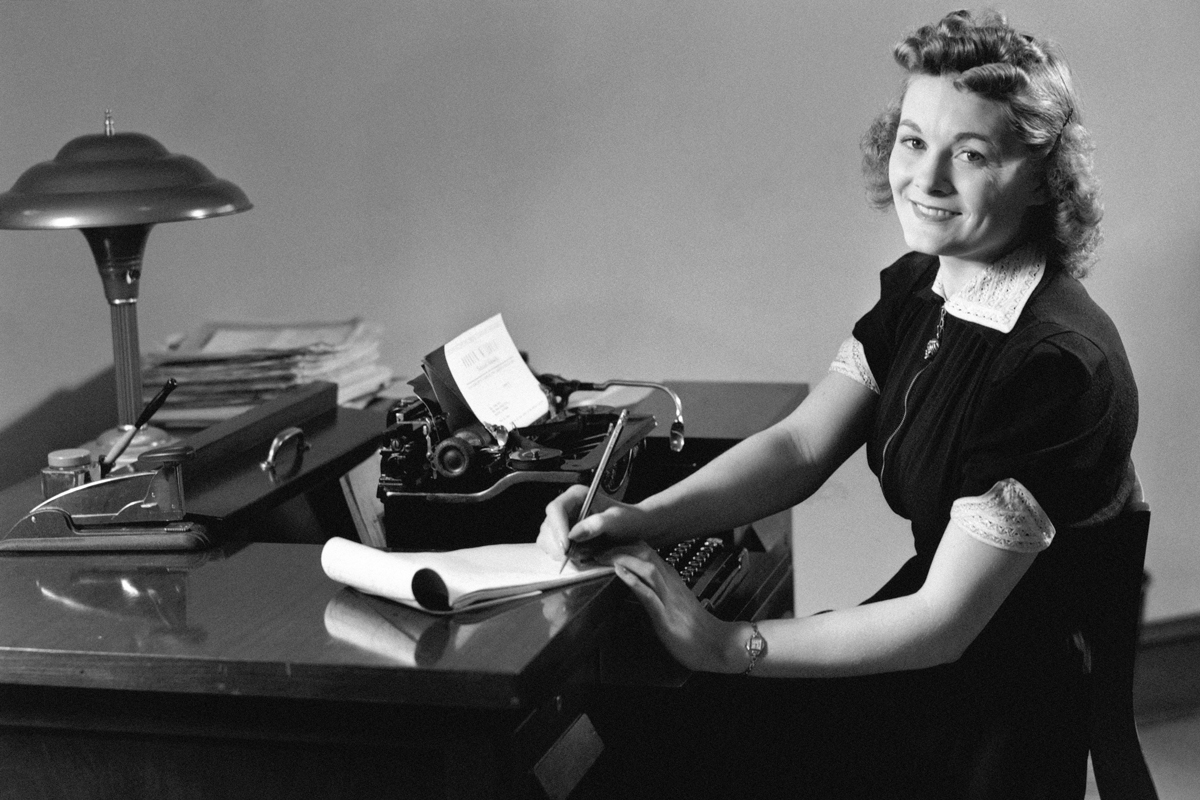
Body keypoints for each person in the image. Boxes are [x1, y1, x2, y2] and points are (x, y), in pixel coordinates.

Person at [539, 9, 1139, 799]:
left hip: (994, 702)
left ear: (1042, 177)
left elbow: (944, 624)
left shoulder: (1052, 368)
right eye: (914, 141)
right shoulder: (924, 288)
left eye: (971, 154)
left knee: (664, 746)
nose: (926, 180)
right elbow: (801, 447)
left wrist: (728, 644)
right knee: (650, 727)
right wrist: (642, 517)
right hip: (931, 640)